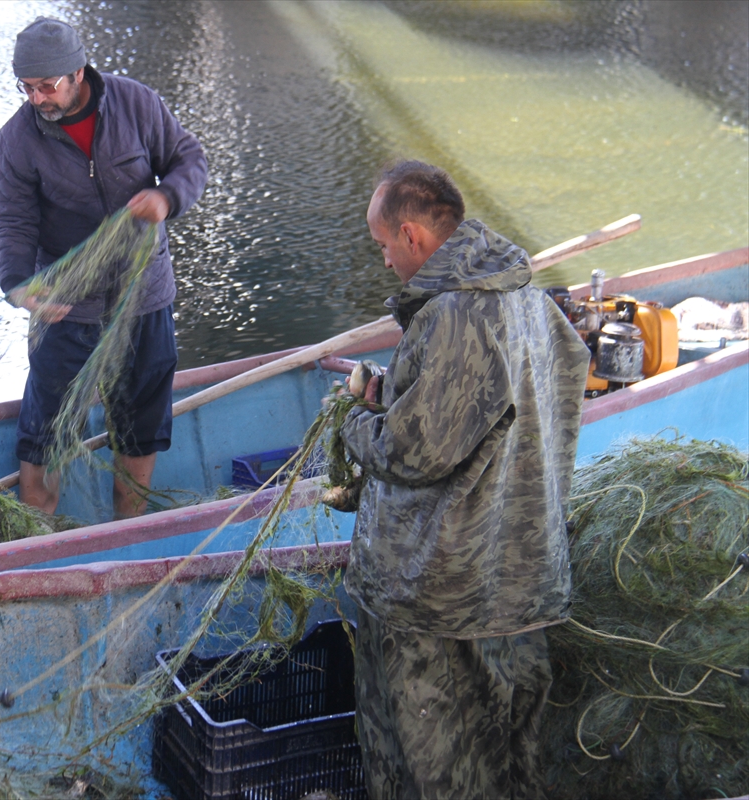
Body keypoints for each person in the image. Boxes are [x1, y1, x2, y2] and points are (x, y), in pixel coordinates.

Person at [338, 160, 590, 799]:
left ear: (413, 237)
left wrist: (351, 423)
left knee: (431, 764)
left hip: (444, 595)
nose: (387, 263)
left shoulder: (454, 315)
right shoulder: (534, 301)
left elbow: (417, 451)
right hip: (524, 578)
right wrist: (393, 398)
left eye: (385, 247)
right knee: (514, 757)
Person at [0, 17, 207, 518]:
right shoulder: (18, 139)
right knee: (44, 437)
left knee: (139, 429)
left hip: (144, 297)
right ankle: (38, 549)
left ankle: (126, 537)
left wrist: (167, 196)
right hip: (66, 308)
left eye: (47, 86)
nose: (37, 98)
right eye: (27, 87)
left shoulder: (136, 103)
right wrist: (18, 285)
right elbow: (13, 218)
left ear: (79, 73)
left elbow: (188, 158)